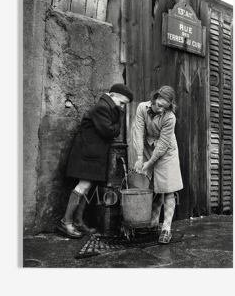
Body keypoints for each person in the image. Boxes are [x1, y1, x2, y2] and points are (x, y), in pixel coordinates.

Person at [57, 83, 134, 238]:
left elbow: (111, 130)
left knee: (87, 185)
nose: (122, 107)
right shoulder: (102, 107)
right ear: (112, 95)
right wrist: (118, 122)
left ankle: (78, 222)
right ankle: (66, 222)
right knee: (83, 185)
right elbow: (109, 131)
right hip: (88, 152)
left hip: (92, 152)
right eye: (121, 103)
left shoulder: (108, 107)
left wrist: (116, 121)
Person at [133, 86, 183, 244]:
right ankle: (153, 224)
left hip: (166, 152)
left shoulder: (170, 118)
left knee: (167, 189)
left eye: (165, 107)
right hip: (148, 148)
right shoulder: (142, 107)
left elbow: (162, 145)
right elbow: (139, 131)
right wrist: (140, 157)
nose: (161, 110)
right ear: (153, 99)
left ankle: (166, 229)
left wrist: (149, 163)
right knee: (155, 187)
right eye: (159, 105)